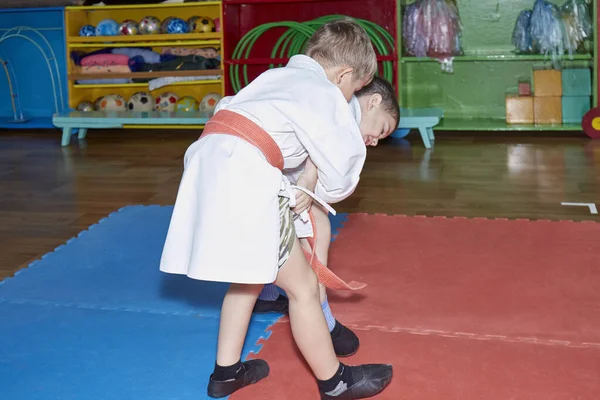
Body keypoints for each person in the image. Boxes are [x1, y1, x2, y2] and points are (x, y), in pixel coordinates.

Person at [159, 18, 393, 399]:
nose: (350, 97)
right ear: (343, 75)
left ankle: (227, 372)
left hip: (208, 161)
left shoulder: (276, 77)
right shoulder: (324, 91)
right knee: (301, 289)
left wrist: (302, 178)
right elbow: (341, 176)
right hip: (243, 173)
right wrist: (316, 177)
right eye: (354, 88)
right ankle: (335, 383)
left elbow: (255, 125)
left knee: (249, 276)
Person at [254, 76, 400, 358]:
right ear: (373, 102)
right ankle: (325, 323)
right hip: (260, 166)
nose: (376, 142)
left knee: (275, 235)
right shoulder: (340, 110)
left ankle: (266, 296)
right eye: (382, 129)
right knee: (316, 228)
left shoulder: (334, 108)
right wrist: (309, 182)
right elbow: (317, 150)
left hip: (248, 161)